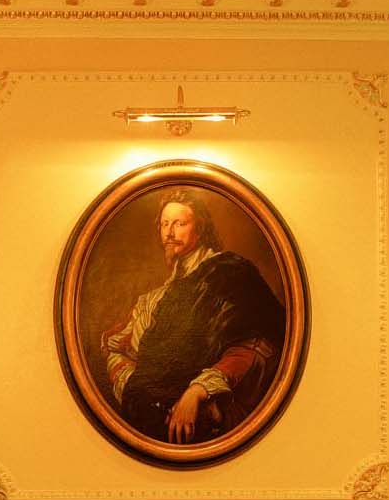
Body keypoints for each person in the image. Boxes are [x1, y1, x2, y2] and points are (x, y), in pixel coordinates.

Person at [101, 190, 286, 444]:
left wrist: (198, 391)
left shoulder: (231, 272)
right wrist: (136, 388)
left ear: (200, 228)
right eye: (165, 224)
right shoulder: (153, 299)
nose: (169, 232)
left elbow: (261, 342)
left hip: (209, 421)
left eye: (179, 223)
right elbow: (117, 347)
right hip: (153, 425)